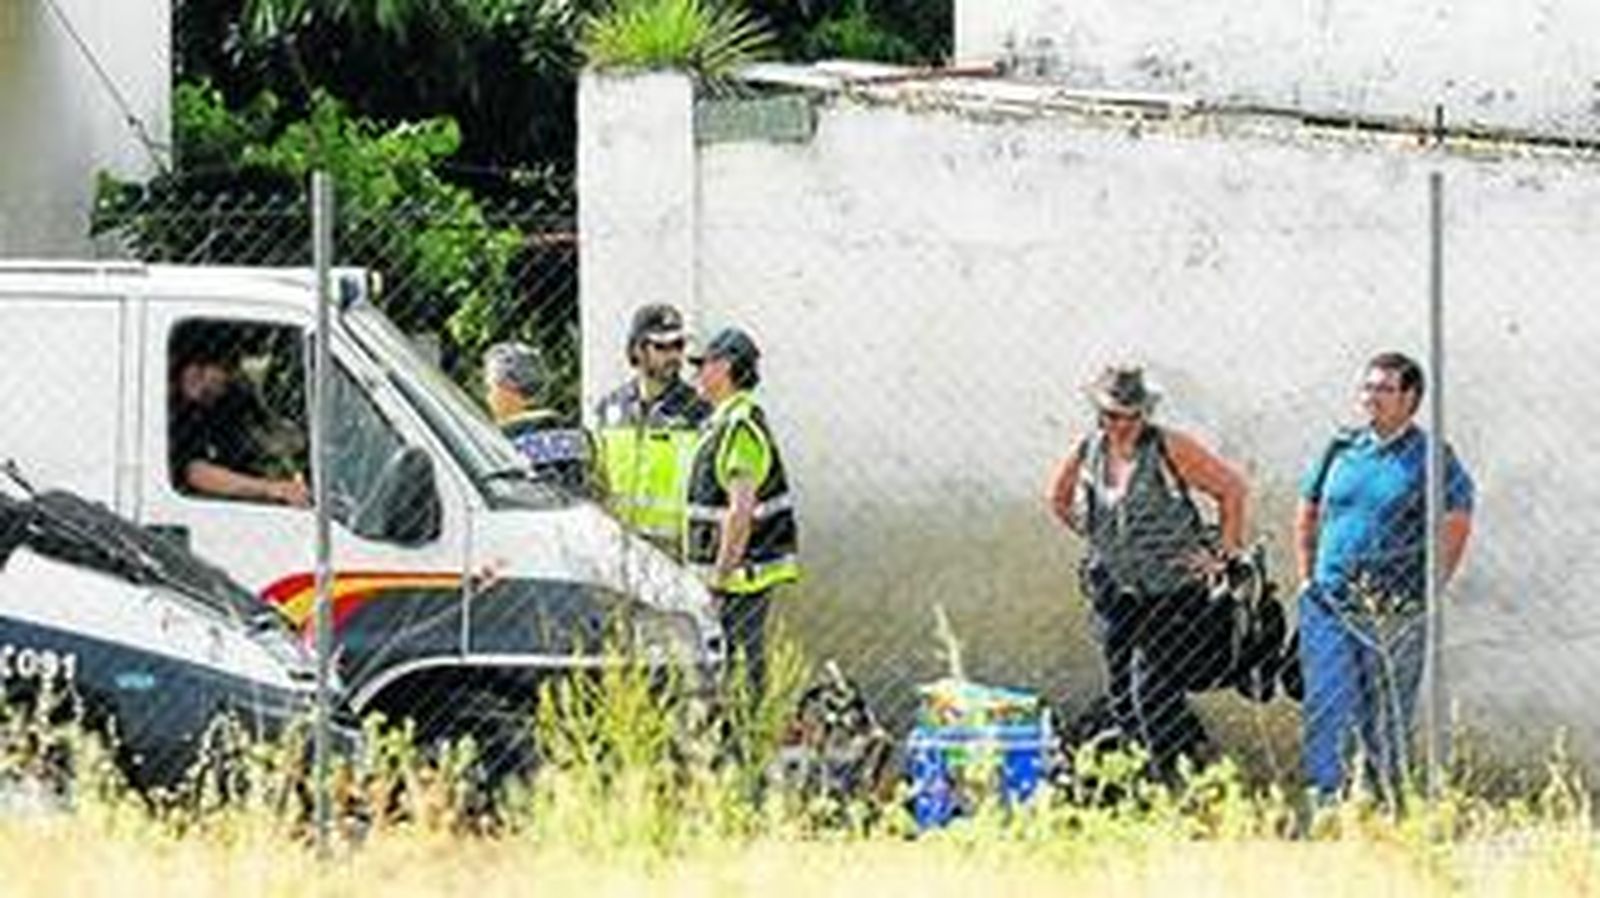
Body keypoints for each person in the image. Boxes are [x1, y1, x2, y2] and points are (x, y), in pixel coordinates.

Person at [1046, 365, 1248, 776]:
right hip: (1114, 594)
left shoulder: (1170, 447)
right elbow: (1058, 498)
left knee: (1150, 689)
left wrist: (1221, 556)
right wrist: (1097, 538)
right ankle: (1146, 780)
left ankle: (1170, 778)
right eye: (1110, 415)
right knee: (1123, 694)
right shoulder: (1089, 449)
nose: (1118, 424)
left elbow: (1232, 490)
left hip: (1173, 594)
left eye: (1129, 415)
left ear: (1144, 414)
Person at [1294, 351, 1474, 801]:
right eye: (1367, 387)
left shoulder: (1430, 456)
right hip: (1328, 605)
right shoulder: (1342, 447)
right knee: (1328, 707)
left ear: (1410, 398)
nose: (1371, 397)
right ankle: (1327, 804)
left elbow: (1457, 518)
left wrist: (1430, 589)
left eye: (1384, 388)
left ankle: (1390, 804)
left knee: (1387, 716)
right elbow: (1308, 508)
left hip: (1395, 611)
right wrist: (1306, 578)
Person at [684, 327, 800, 698]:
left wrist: (719, 577)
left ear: (726, 367)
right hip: (733, 576)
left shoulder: (739, 426)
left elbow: (741, 510)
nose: (695, 374)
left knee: (741, 667)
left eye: (702, 365)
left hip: (740, 578)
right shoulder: (723, 421)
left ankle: (747, 742)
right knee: (733, 666)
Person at [594, 304, 711, 553]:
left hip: (677, 549)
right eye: (661, 347)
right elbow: (598, 480)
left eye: (678, 345)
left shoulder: (699, 412)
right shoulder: (609, 409)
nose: (673, 356)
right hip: (622, 546)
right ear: (638, 349)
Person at [169, 332, 310, 507]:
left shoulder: (219, 405)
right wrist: (274, 489)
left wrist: (301, 440)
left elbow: (266, 435)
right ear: (200, 368)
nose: (232, 379)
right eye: (230, 369)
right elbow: (196, 473)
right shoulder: (170, 408)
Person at [483, 341, 592, 496]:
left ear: (507, 385)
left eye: (490, 388)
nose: (488, 398)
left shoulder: (508, 435)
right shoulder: (564, 429)